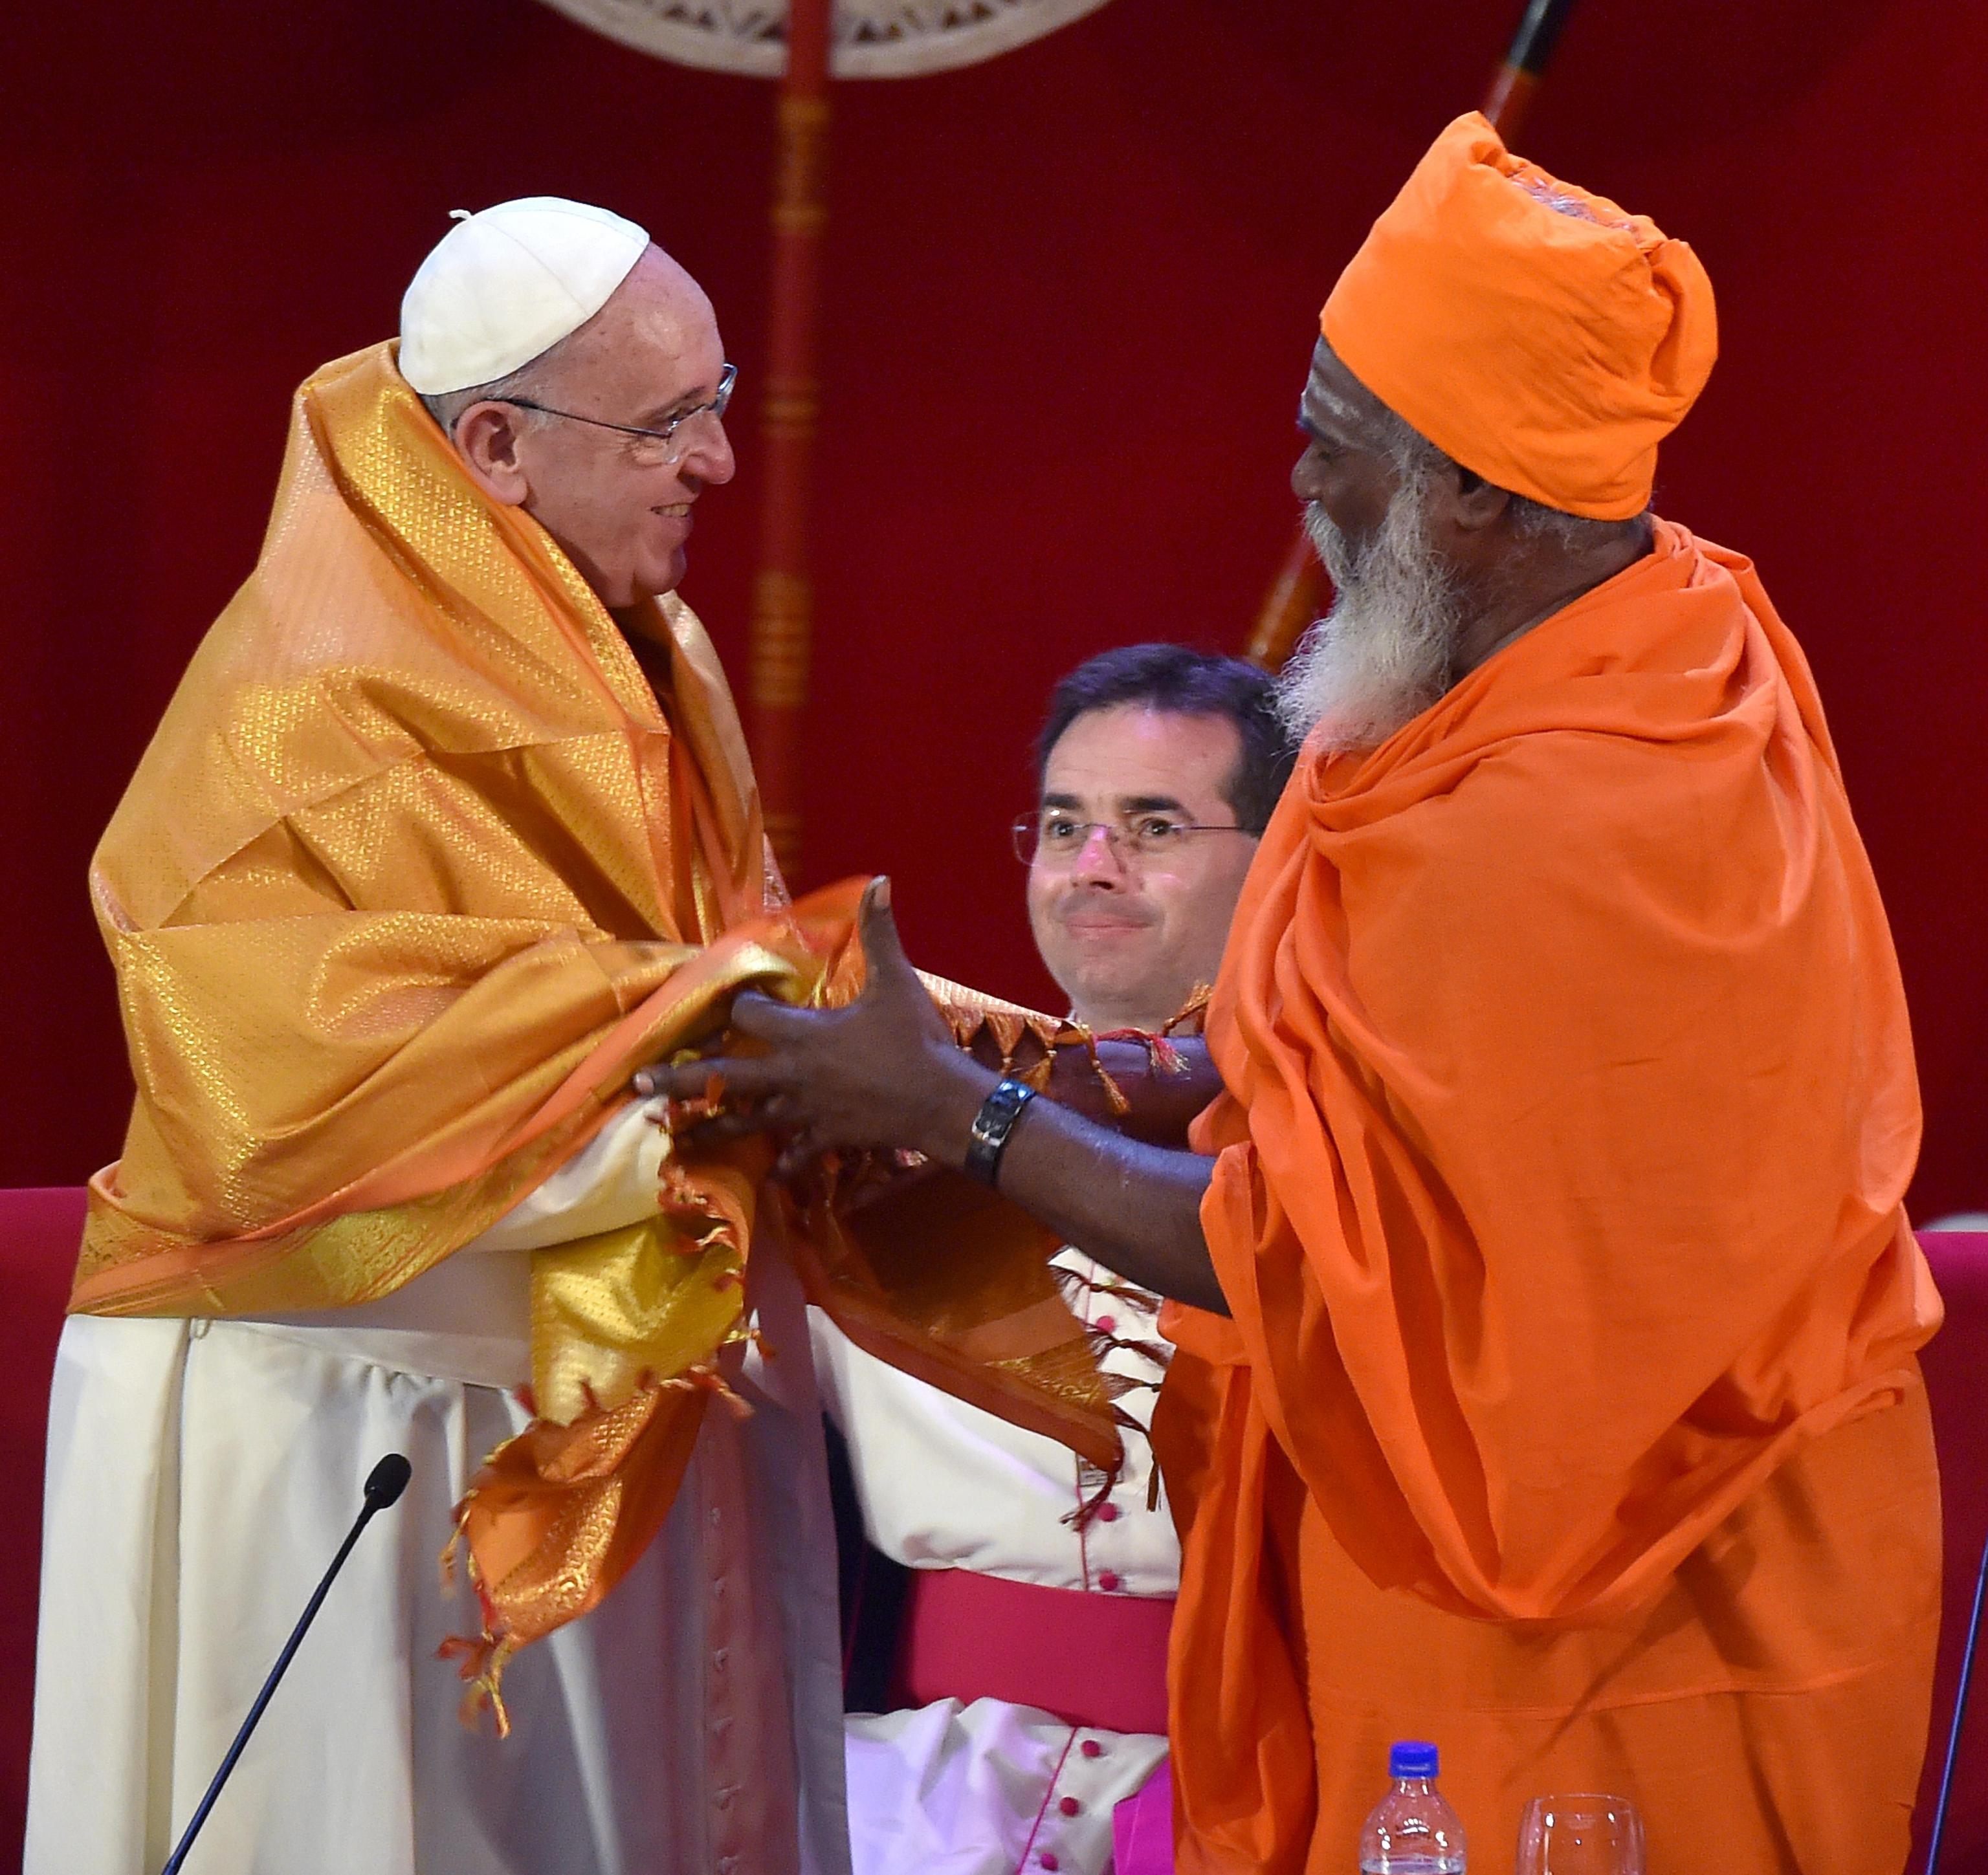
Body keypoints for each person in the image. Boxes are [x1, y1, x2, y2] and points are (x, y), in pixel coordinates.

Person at [644, 116, 1943, 1874]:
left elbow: (1330, 1253)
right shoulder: (1655, 621)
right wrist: (1074, 1070)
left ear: (1478, 492)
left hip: (1624, 1615)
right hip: (1471, 1574)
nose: (1301, 492)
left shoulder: (1567, 816)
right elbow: (1331, 1072)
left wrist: (964, 1115)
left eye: (1337, 448)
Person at [28, 198, 851, 1875]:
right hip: (353, 1420)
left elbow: (712, 950)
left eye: (718, 399)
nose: (715, 463)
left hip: (595, 1381)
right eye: (669, 422)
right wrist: (710, 1086)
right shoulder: (299, 700)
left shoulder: (657, 646)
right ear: (496, 444)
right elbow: (294, 1090)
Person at [815, 646, 1292, 1875]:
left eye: (1154, 825)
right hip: (907, 1807)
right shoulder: (875, 1146)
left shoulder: (1344, 1159)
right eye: (1067, 823)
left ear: (1285, 854)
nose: (1094, 864)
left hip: (1258, 1800)